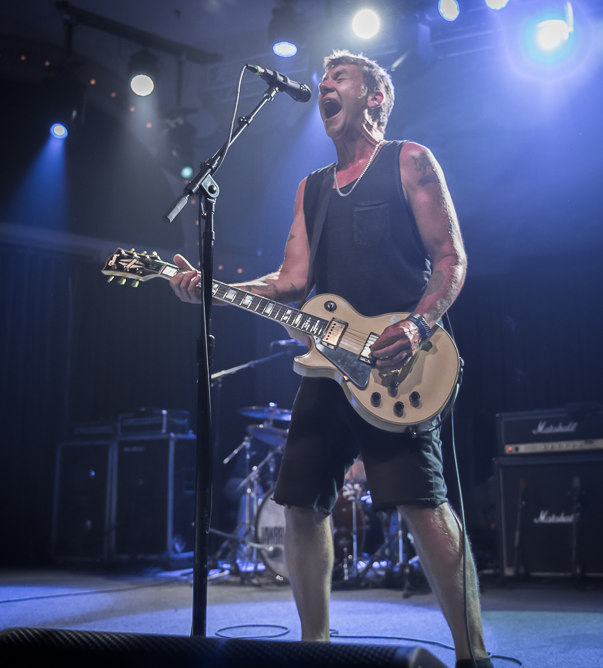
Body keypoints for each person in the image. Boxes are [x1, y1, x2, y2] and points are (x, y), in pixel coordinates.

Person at [171, 50, 489, 667]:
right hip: (326, 363)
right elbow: (292, 281)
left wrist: (419, 323)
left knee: (424, 504)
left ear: (374, 98)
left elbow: (451, 259)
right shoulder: (311, 187)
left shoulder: (410, 160)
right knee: (299, 501)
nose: (324, 87)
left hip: (400, 363)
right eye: (323, 81)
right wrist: (211, 286)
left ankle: (472, 654)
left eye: (340, 78)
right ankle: (313, 650)